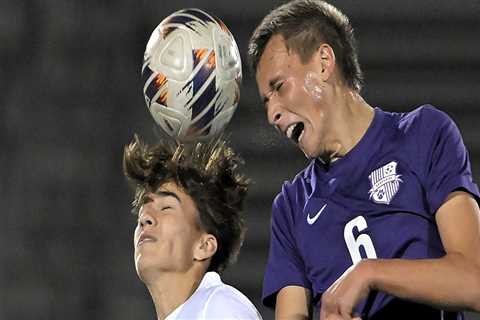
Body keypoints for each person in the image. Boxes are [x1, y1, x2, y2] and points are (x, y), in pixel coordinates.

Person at [247, 0, 480, 319]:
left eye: (279, 87)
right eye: (266, 101)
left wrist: (369, 273)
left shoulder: (422, 135)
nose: (272, 114)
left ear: (324, 62)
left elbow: (473, 281)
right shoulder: (292, 207)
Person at [123, 135, 262, 320]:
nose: (145, 219)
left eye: (166, 208)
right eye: (142, 213)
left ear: (204, 246)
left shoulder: (221, 307)